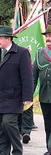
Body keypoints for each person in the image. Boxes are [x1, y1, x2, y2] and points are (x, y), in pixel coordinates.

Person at [0, 25, 33, 155]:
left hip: (13, 97)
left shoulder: (21, 53)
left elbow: (27, 77)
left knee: (8, 123)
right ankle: (3, 152)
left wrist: (27, 97)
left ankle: (17, 150)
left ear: (9, 38)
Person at [33, 25, 51, 155]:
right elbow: (33, 77)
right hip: (45, 95)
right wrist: (29, 94)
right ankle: (48, 148)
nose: (48, 38)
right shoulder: (39, 53)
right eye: (47, 36)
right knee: (48, 124)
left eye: (50, 36)